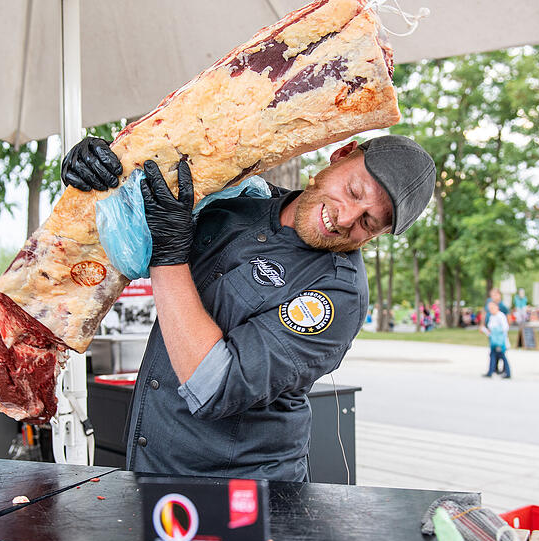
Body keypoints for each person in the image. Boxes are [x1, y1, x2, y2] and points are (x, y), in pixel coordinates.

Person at [63, 134, 436, 480]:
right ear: (340, 154)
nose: (345, 218)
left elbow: (216, 386)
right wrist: (101, 180)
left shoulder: (339, 294)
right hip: (152, 470)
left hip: (244, 497)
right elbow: (128, 239)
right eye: (353, 191)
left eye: (368, 223)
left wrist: (170, 256)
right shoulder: (239, 196)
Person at [481, 300, 511, 379]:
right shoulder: (491, 317)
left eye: (492, 308)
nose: (490, 310)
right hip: (493, 340)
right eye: (489, 308)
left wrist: (496, 331)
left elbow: (505, 328)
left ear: (496, 307)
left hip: (499, 341)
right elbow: (490, 331)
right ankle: (490, 372)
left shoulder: (500, 316)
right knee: (492, 355)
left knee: (502, 356)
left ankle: (508, 372)